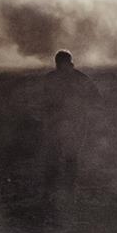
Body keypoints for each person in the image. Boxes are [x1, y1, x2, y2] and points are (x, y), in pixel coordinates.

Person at [39, 50, 100, 191]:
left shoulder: (53, 77)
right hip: (66, 122)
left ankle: (61, 187)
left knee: (64, 155)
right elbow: (95, 97)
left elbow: (95, 97)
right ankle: (64, 187)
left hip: (70, 122)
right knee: (63, 155)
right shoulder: (79, 78)